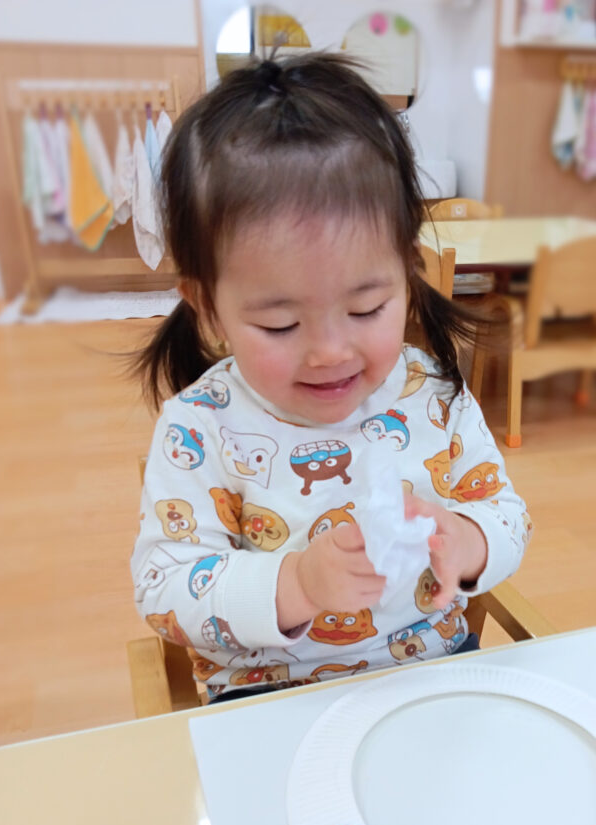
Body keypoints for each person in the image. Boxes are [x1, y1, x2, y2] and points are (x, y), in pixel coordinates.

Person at [130, 52, 531, 702]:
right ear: (207, 305)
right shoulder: (201, 429)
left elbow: (506, 514)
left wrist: (471, 541)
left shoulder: (429, 394)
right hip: (268, 692)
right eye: (280, 325)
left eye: (366, 308)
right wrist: (295, 584)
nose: (328, 351)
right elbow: (163, 588)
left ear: (406, 273)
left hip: (432, 674)